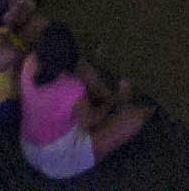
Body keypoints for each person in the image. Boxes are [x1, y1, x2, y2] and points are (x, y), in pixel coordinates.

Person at [13, 23, 155, 178]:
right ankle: (126, 105)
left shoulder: (30, 63)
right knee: (135, 118)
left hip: (30, 146)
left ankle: (113, 102)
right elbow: (90, 121)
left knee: (84, 73)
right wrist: (116, 98)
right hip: (58, 159)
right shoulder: (72, 88)